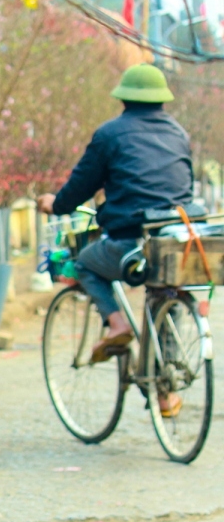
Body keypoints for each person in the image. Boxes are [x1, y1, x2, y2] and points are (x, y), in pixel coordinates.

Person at [39, 63, 193, 415]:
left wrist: (55, 204)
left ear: (123, 98)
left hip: (130, 242)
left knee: (86, 263)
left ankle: (117, 323)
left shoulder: (110, 134)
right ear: (161, 100)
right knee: (167, 293)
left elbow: (80, 187)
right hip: (174, 239)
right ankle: (166, 392)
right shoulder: (179, 134)